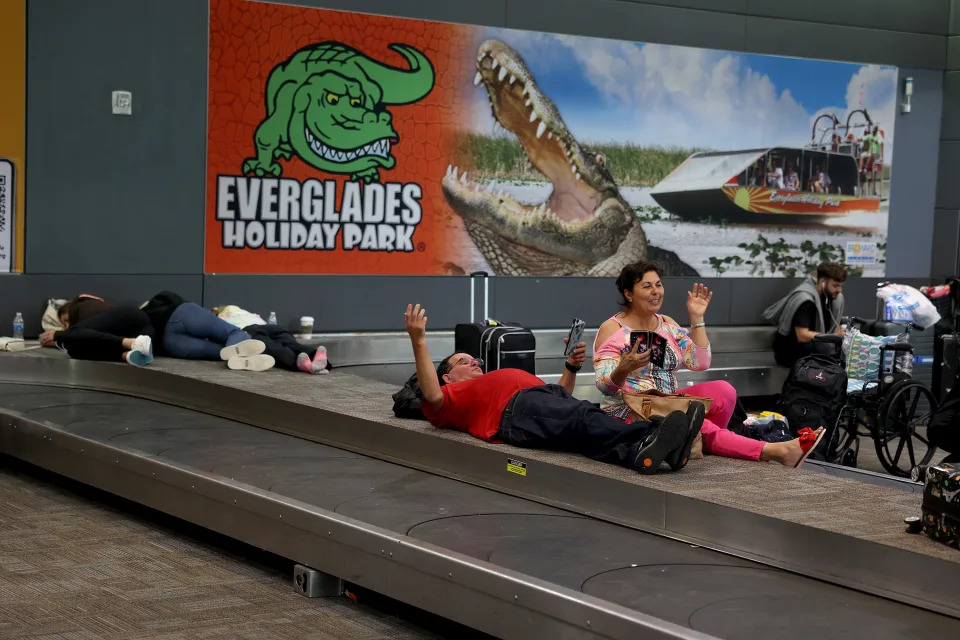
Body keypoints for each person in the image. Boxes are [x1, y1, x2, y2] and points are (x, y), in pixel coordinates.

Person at [403, 303, 705, 474]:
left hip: (541, 402)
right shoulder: (447, 400)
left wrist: (571, 367)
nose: (475, 362)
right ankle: (653, 434)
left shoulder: (482, 382)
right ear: (448, 378)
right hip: (516, 411)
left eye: (474, 359)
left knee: (584, 432)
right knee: (583, 417)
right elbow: (430, 393)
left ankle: (650, 454)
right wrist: (418, 340)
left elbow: (561, 393)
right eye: (464, 361)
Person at [594, 261, 823, 467]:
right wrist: (624, 368)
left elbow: (699, 363)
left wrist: (697, 319)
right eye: (647, 286)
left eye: (659, 285)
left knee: (724, 391)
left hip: (667, 401)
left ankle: (700, 440)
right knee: (692, 420)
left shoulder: (667, 324)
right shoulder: (612, 329)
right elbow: (605, 386)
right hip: (629, 410)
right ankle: (777, 451)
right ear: (629, 294)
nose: (656, 292)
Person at [140, 291, 274, 371]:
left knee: (221, 353)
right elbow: (170, 296)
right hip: (181, 314)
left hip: (169, 342)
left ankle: (239, 359)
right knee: (234, 333)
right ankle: (240, 355)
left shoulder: (138, 325)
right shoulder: (154, 303)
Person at [763, 262, 846, 368]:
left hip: (810, 347)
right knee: (826, 348)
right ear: (823, 282)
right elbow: (802, 335)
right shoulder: (805, 300)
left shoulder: (829, 298)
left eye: (841, 286)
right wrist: (833, 336)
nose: (839, 290)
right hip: (790, 351)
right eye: (835, 286)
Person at [213, 305, 329, 374]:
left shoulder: (219, 318)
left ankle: (298, 363)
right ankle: (316, 355)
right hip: (271, 327)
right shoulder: (244, 312)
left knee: (271, 347)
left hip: (248, 330)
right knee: (290, 343)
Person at [39, 298, 155, 367]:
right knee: (74, 351)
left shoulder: (82, 307)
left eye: (67, 320)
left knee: (75, 333)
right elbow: (88, 339)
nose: (67, 326)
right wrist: (60, 341)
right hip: (143, 338)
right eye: (64, 326)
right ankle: (128, 356)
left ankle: (133, 343)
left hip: (134, 320)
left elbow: (78, 333)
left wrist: (58, 334)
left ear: (70, 311)